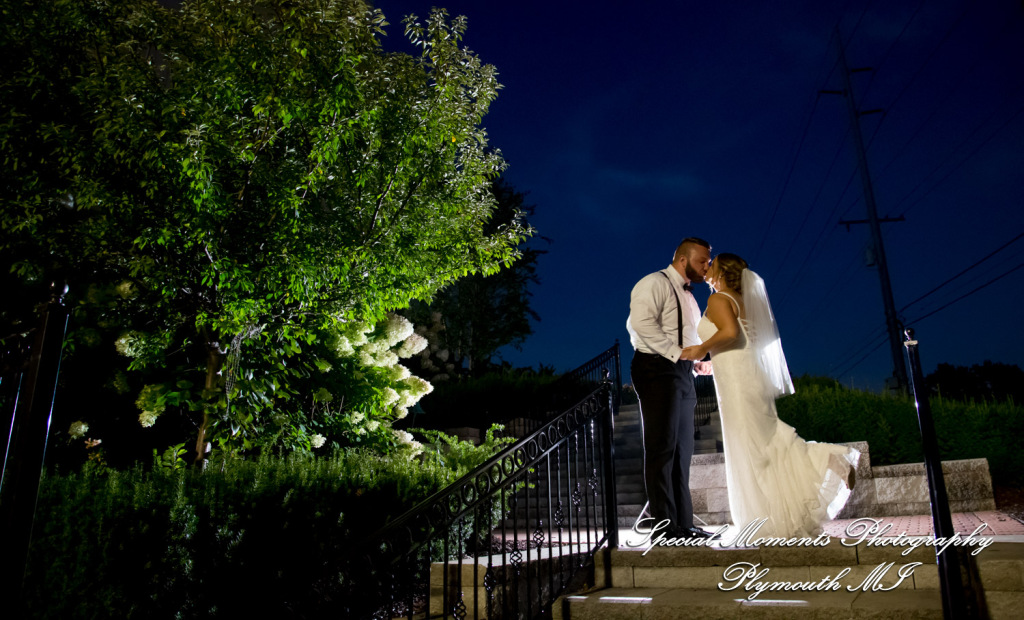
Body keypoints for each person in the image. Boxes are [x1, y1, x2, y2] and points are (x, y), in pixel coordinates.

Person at [680, 253, 859, 537]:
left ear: (723, 271)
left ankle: (828, 457)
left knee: (754, 448)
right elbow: (744, 343)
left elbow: (730, 334)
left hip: (739, 384)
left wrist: (699, 350)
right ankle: (777, 512)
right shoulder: (742, 301)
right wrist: (711, 366)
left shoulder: (719, 299)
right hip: (744, 375)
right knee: (765, 442)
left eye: (712, 264)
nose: (708, 268)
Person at [626, 237, 714, 539]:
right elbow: (641, 325)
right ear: (682, 260)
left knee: (683, 450)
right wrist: (679, 353)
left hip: (681, 372)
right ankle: (664, 528)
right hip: (654, 368)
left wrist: (698, 362)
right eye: (702, 261)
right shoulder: (653, 283)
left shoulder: (690, 297)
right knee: (662, 447)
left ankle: (684, 525)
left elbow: (689, 336)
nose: (707, 267)